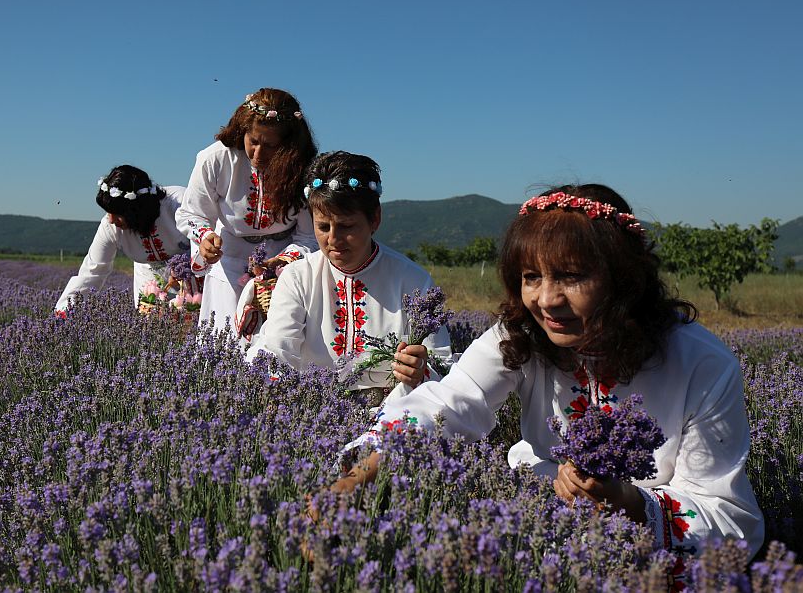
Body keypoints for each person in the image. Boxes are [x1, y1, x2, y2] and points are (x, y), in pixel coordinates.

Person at [331, 184, 764, 573]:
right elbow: (450, 403)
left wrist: (631, 503)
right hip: (540, 515)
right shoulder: (522, 333)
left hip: (650, 545)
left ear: (623, 279)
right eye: (532, 277)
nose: (547, 299)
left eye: (572, 276)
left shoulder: (701, 363)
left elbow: (727, 517)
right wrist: (356, 477)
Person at [246, 151, 452, 405]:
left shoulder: (413, 281)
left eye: (346, 226)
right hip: (312, 412)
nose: (333, 239)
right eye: (322, 227)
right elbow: (278, 353)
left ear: (374, 219)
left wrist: (421, 370)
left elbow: (442, 362)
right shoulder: (298, 277)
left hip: (394, 415)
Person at [176, 88, 319, 328]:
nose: (258, 153)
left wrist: (280, 262)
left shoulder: (302, 167)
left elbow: (309, 236)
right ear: (242, 130)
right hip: (229, 259)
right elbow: (191, 213)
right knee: (225, 338)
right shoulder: (215, 159)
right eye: (253, 141)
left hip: (284, 263)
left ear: (289, 145)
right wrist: (205, 237)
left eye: (271, 146)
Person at [55, 165, 188, 314]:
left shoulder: (180, 204)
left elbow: (209, 241)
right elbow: (93, 271)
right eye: (108, 212)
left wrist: (187, 267)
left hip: (196, 278)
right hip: (149, 283)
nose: (111, 220)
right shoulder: (110, 226)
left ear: (137, 209)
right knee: (153, 326)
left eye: (118, 213)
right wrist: (64, 313)